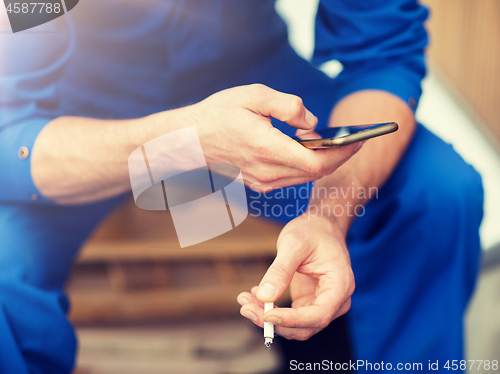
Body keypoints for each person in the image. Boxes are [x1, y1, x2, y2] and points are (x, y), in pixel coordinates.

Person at [0, 0, 483, 373]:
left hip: (251, 81)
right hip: (66, 114)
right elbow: (9, 131)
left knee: (434, 194)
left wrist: (327, 216)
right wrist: (184, 143)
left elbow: (383, 51)